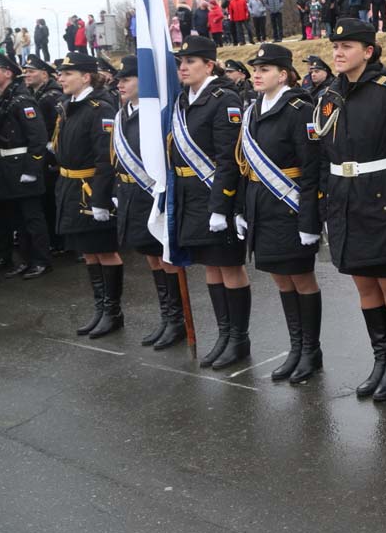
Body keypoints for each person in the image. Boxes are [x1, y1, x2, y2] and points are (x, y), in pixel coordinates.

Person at [312, 18, 386, 402]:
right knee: (364, 284)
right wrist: (324, 206)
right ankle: (380, 359)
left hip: (382, 199)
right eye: (335, 48)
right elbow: (322, 155)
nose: (338, 53)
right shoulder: (328, 95)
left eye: (347, 47)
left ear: (368, 51)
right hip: (345, 200)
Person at [238, 43, 324, 383]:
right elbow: (245, 165)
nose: (257, 74)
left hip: (290, 207)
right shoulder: (253, 109)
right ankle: (296, 347)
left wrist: (309, 218)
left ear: (284, 74)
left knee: (301, 278)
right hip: (263, 205)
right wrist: (242, 209)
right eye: (255, 69)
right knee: (279, 276)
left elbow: (311, 166)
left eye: (266, 69)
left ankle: (311, 351)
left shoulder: (300, 108)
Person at [171, 37, 253, 370]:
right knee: (210, 266)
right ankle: (223, 334)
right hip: (190, 198)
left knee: (230, 267)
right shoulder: (181, 101)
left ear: (208, 65)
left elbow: (228, 158)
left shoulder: (224, 99)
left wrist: (221, 206)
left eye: (191, 61)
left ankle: (239, 339)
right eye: (181, 62)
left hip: (218, 196)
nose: (183, 67)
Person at [111, 57, 186, 350]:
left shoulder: (156, 113)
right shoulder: (123, 114)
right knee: (151, 257)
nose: (120, 84)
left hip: (152, 194)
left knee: (165, 257)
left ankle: (177, 320)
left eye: (126, 79)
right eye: (119, 80)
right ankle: (167, 317)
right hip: (132, 196)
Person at [55, 52, 123, 335]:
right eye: (61, 73)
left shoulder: (99, 108)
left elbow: (105, 157)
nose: (61, 78)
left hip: (90, 189)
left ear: (85, 76)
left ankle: (113, 311)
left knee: (106, 252)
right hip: (71, 188)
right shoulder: (70, 106)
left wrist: (100, 198)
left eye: (67, 73)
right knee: (90, 253)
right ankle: (100, 307)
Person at [0, 50, 52, 279]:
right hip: (3, 165)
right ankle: (24, 259)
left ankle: (41, 260)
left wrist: (32, 169)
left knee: (32, 217)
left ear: (7, 73)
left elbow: (38, 137)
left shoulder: (22, 100)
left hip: (21, 165)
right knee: (14, 218)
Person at [23, 55, 64, 253]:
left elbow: (57, 127)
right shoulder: (35, 94)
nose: (27, 74)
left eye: (32, 71)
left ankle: (61, 242)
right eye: (26, 71)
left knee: (53, 201)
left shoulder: (51, 96)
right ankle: (55, 241)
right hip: (44, 155)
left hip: (51, 156)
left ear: (45, 74)